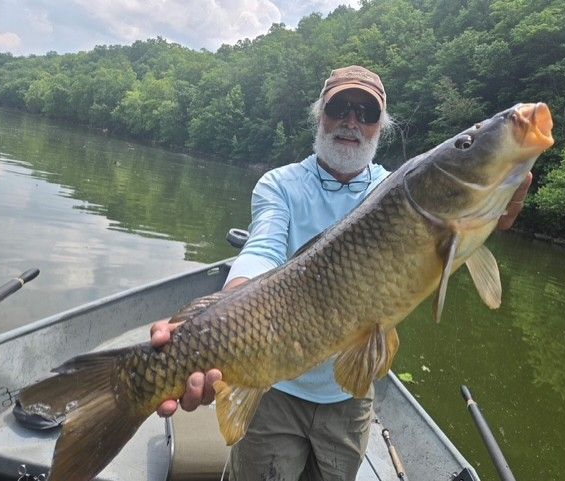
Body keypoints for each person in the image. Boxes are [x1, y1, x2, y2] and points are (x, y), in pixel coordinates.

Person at [150, 65, 532, 481]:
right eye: (340, 108)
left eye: (366, 113)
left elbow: (460, 235)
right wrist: (216, 322)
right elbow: (261, 250)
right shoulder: (280, 184)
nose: (352, 121)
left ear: (379, 129)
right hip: (272, 386)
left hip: (349, 397)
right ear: (321, 116)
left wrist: (496, 211)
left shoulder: (402, 188)